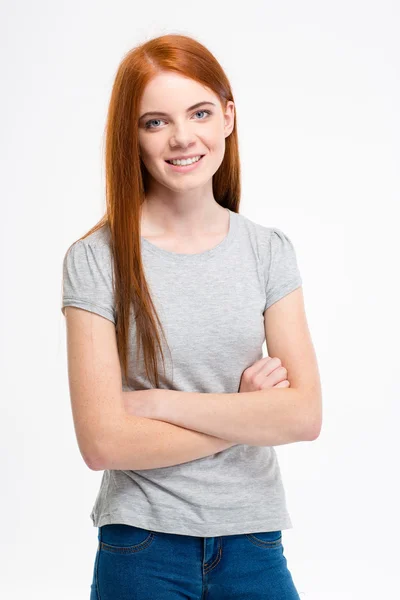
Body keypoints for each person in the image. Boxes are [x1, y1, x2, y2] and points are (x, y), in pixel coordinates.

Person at [61, 33, 322, 600]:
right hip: (141, 545)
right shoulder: (96, 259)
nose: (182, 137)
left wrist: (159, 405)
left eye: (199, 112)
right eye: (154, 122)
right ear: (130, 137)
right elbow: (102, 443)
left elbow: (303, 417)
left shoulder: (267, 250)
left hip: (254, 541)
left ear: (228, 117)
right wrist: (247, 415)